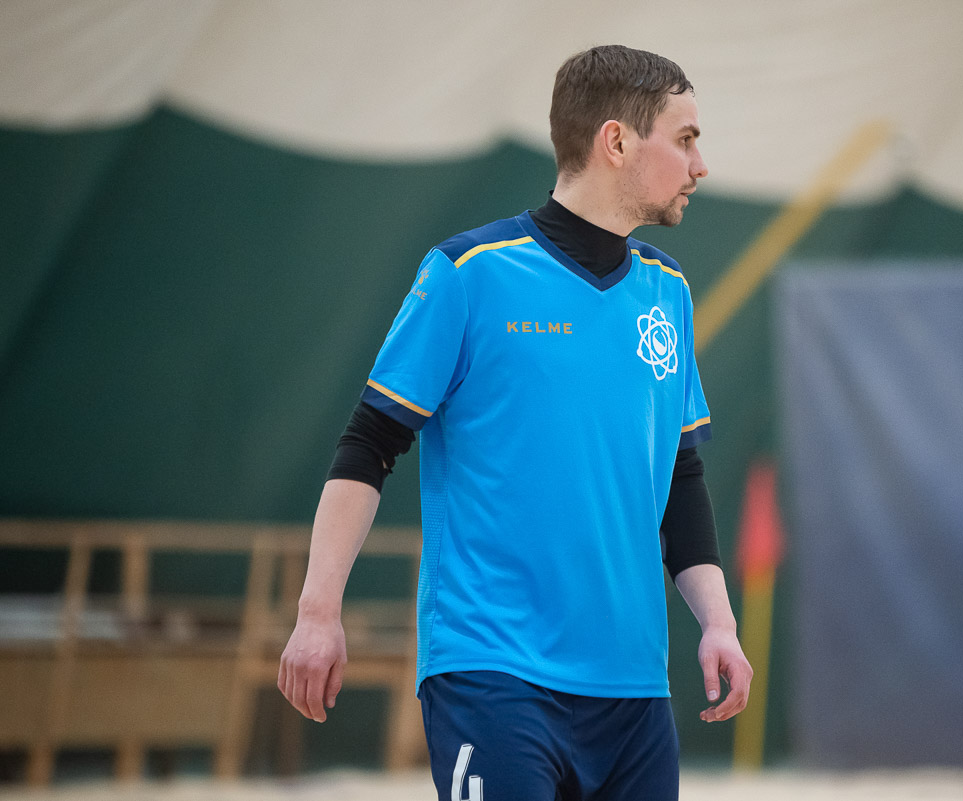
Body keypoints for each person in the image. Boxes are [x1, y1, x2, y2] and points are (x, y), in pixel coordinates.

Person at [279, 44, 752, 801]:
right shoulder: (470, 273)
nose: (701, 165)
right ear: (616, 141)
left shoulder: (668, 292)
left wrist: (719, 624)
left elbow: (681, 475)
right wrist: (316, 612)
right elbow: (369, 444)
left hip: (634, 690)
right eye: (686, 138)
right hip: (493, 674)